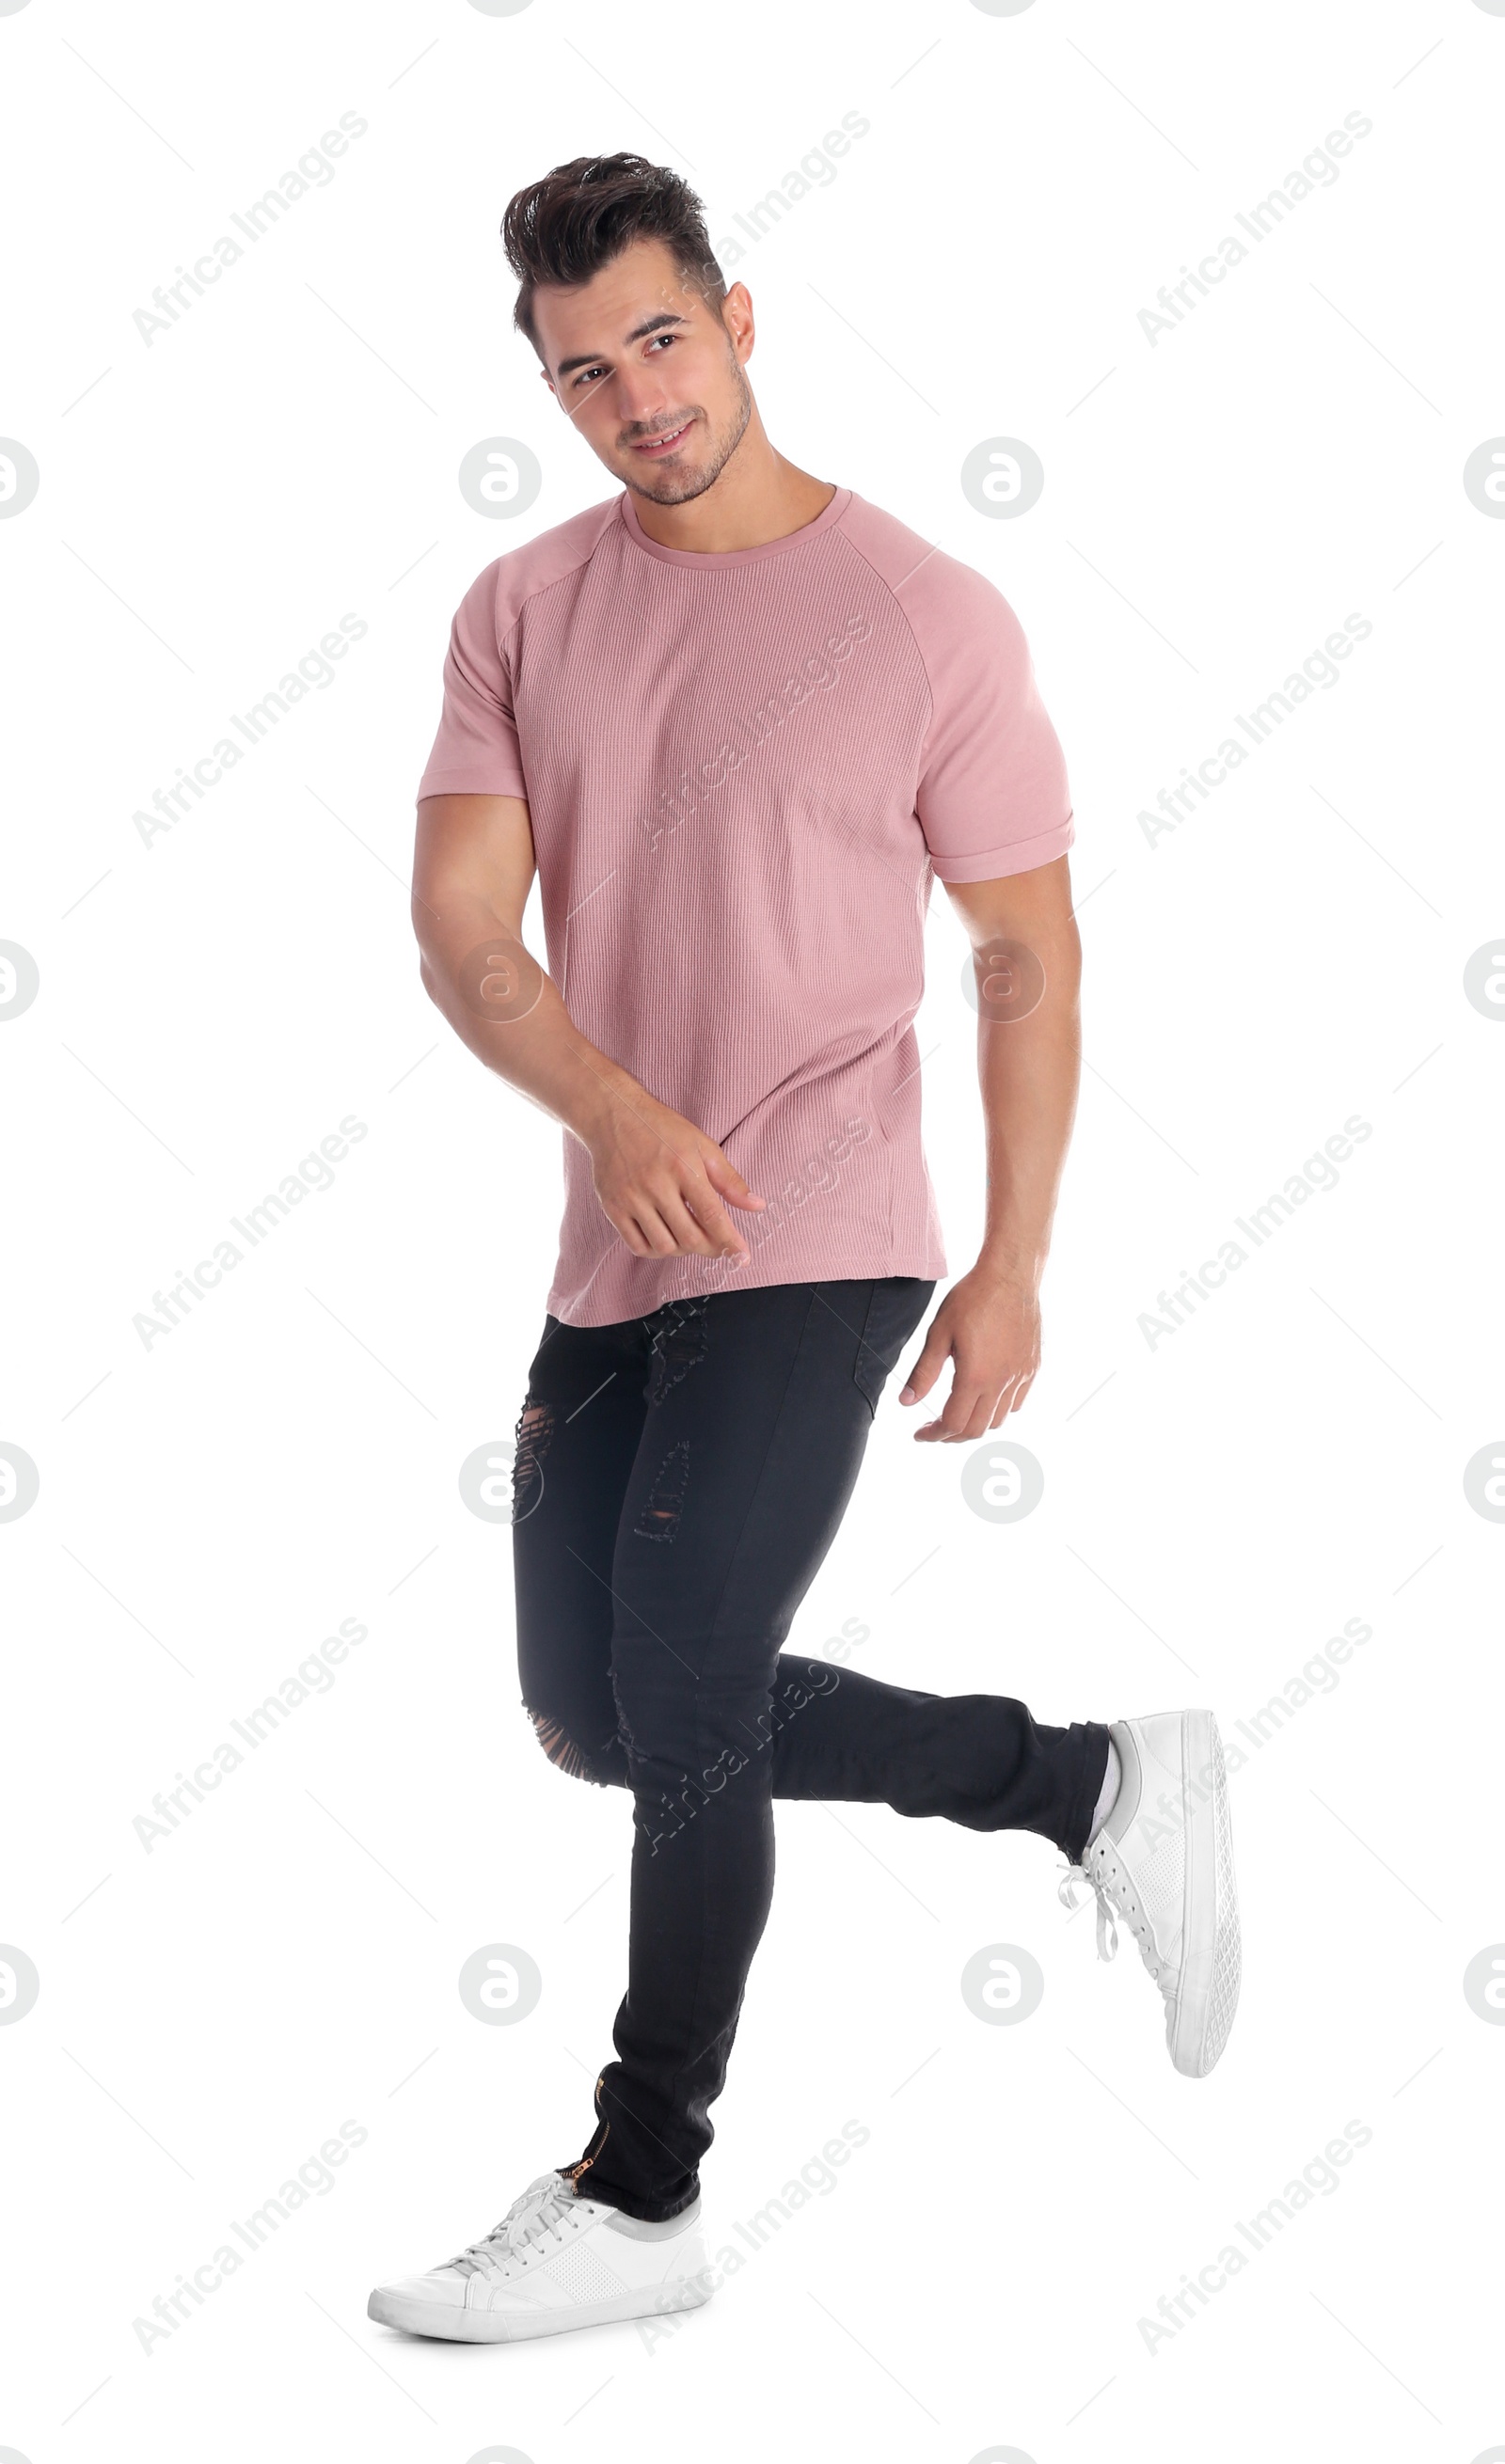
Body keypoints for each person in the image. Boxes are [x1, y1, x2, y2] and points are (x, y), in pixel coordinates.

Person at [368, 151, 1240, 2348]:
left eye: (660, 341)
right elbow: (464, 929)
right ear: (546, 387)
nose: (635, 398)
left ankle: (639, 2179)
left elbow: (1024, 951)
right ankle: (1086, 1777)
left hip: (821, 1222)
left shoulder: (924, 613)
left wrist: (1013, 1257)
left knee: (674, 1685)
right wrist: (611, 1110)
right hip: (617, 1225)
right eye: (584, 371)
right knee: (597, 1709)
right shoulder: (520, 609)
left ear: (738, 320)